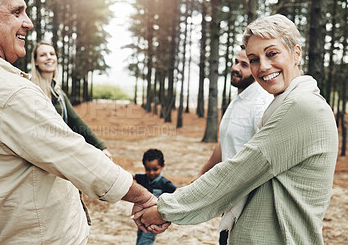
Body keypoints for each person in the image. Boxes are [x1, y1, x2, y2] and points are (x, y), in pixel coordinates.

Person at [0, 0, 165, 244]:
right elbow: (74, 156)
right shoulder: (11, 92)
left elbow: (73, 122)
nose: (28, 22)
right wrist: (143, 197)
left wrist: (100, 146)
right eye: (17, 12)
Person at [133, 14, 338, 245]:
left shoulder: (302, 107)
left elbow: (238, 172)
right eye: (254, 59)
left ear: (296, 53)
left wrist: (164, 209)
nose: (263, 66)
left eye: (272, 53)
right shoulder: (283, 104)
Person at [191, 47, 273, 244]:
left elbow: (265, 159)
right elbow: (224, 145)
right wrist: (199, 178)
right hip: (231, 203)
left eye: (244, 65)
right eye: (236, 62)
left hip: (250, 208)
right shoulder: (239, 100)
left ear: (256, 69)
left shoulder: (261, 104)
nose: (235, 68)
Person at [31, 42, 112, 159]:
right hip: (39, 154)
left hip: (58, 151)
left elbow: (75, 120)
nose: (49, 57)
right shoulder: (31, 88)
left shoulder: (58, 93)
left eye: (52, 54)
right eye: (43, 55)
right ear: (36, 62)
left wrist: (100, 147)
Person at [134, 149, 176, 245]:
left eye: (155, 169)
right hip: (141, 217)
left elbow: (177, 192)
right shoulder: (143, 178)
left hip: (154, 220)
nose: (151, 173)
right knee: (140, 237)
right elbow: (130, 177)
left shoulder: (165, 183)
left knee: (145, 241)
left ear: (162, 166)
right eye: (148, 169)